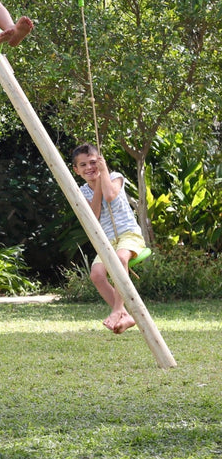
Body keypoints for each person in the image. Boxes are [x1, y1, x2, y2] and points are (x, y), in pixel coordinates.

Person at [71, 143, 148, 334]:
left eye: (93, 162)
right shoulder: (82, 191)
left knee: (120, 258)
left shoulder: (115, 177)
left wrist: (103, 173)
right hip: (108, 241)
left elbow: (111, 195)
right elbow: (94, 214)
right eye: (83, 165)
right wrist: (96, 185)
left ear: (101, 161)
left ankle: (118, 310)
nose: (89, 167)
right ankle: (127, 315)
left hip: (129, 234)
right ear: (76, 170)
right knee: (96, 274)